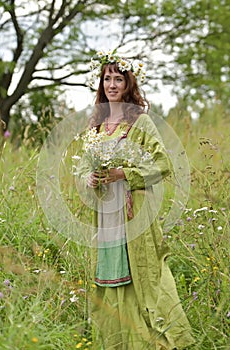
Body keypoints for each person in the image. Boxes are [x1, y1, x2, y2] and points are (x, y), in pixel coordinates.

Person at [75, 50, 195, 349]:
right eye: (107, 79)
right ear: (100, 84)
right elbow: (81, 167)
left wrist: (124, 173)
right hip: (106, 213)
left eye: (118, 79)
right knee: (112, 275)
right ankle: (118, 340)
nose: (112, 85)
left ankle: (160, 338)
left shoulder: (140, 122)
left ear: (129, 84)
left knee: (146, 271)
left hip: (134, 213)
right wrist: (88, 178)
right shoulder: (97, 128)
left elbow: (163, 164)